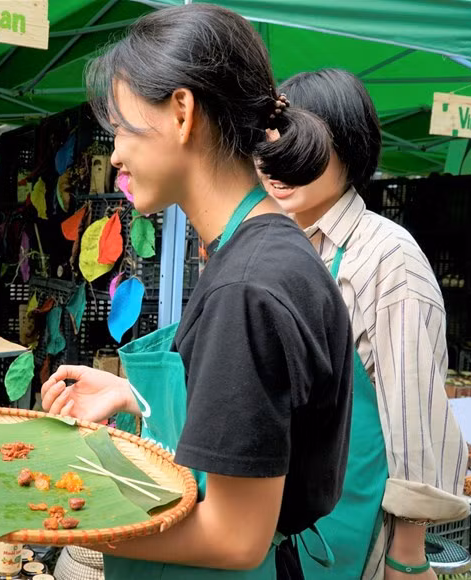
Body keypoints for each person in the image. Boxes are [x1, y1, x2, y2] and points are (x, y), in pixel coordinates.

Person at [42, 4, 354, 579]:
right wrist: (134, 398)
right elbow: (256, 423)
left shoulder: (247, 285)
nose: (114, 153)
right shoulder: (266, 251)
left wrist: (47, 516)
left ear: (181, 112)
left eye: (121, 127)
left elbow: (234, 538)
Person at [256, 69, 469, 580]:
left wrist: (408, 554)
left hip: (354, 532)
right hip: (272, 522)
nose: (280, 163)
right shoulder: (270, 245)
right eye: (271, 143)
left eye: (303, 145)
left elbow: (414, 413)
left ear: (350, 149)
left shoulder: (387, 257)